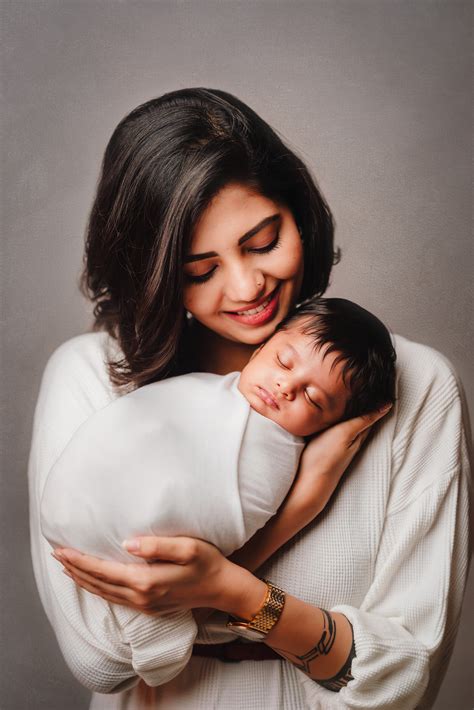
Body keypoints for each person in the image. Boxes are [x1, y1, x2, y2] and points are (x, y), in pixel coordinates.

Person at [28, 88, 470, 710]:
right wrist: (297, 507)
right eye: (199, 270)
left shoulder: (417, 385)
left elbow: (403, 676)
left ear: (300, 213)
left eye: (263, 241)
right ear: (153, 272)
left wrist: (231, 597)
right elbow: (101, 658)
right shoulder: (94, 374)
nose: (246, 286)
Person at [40, 295, 396, 582]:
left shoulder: (279, 453)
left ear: (330, 425)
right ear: (261, 348)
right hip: (71, 512)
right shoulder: (200, 387)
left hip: (138, 548)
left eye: (314, 399)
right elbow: (141, 423)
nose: (285, 387)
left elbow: (232, 514)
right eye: (283, 362)